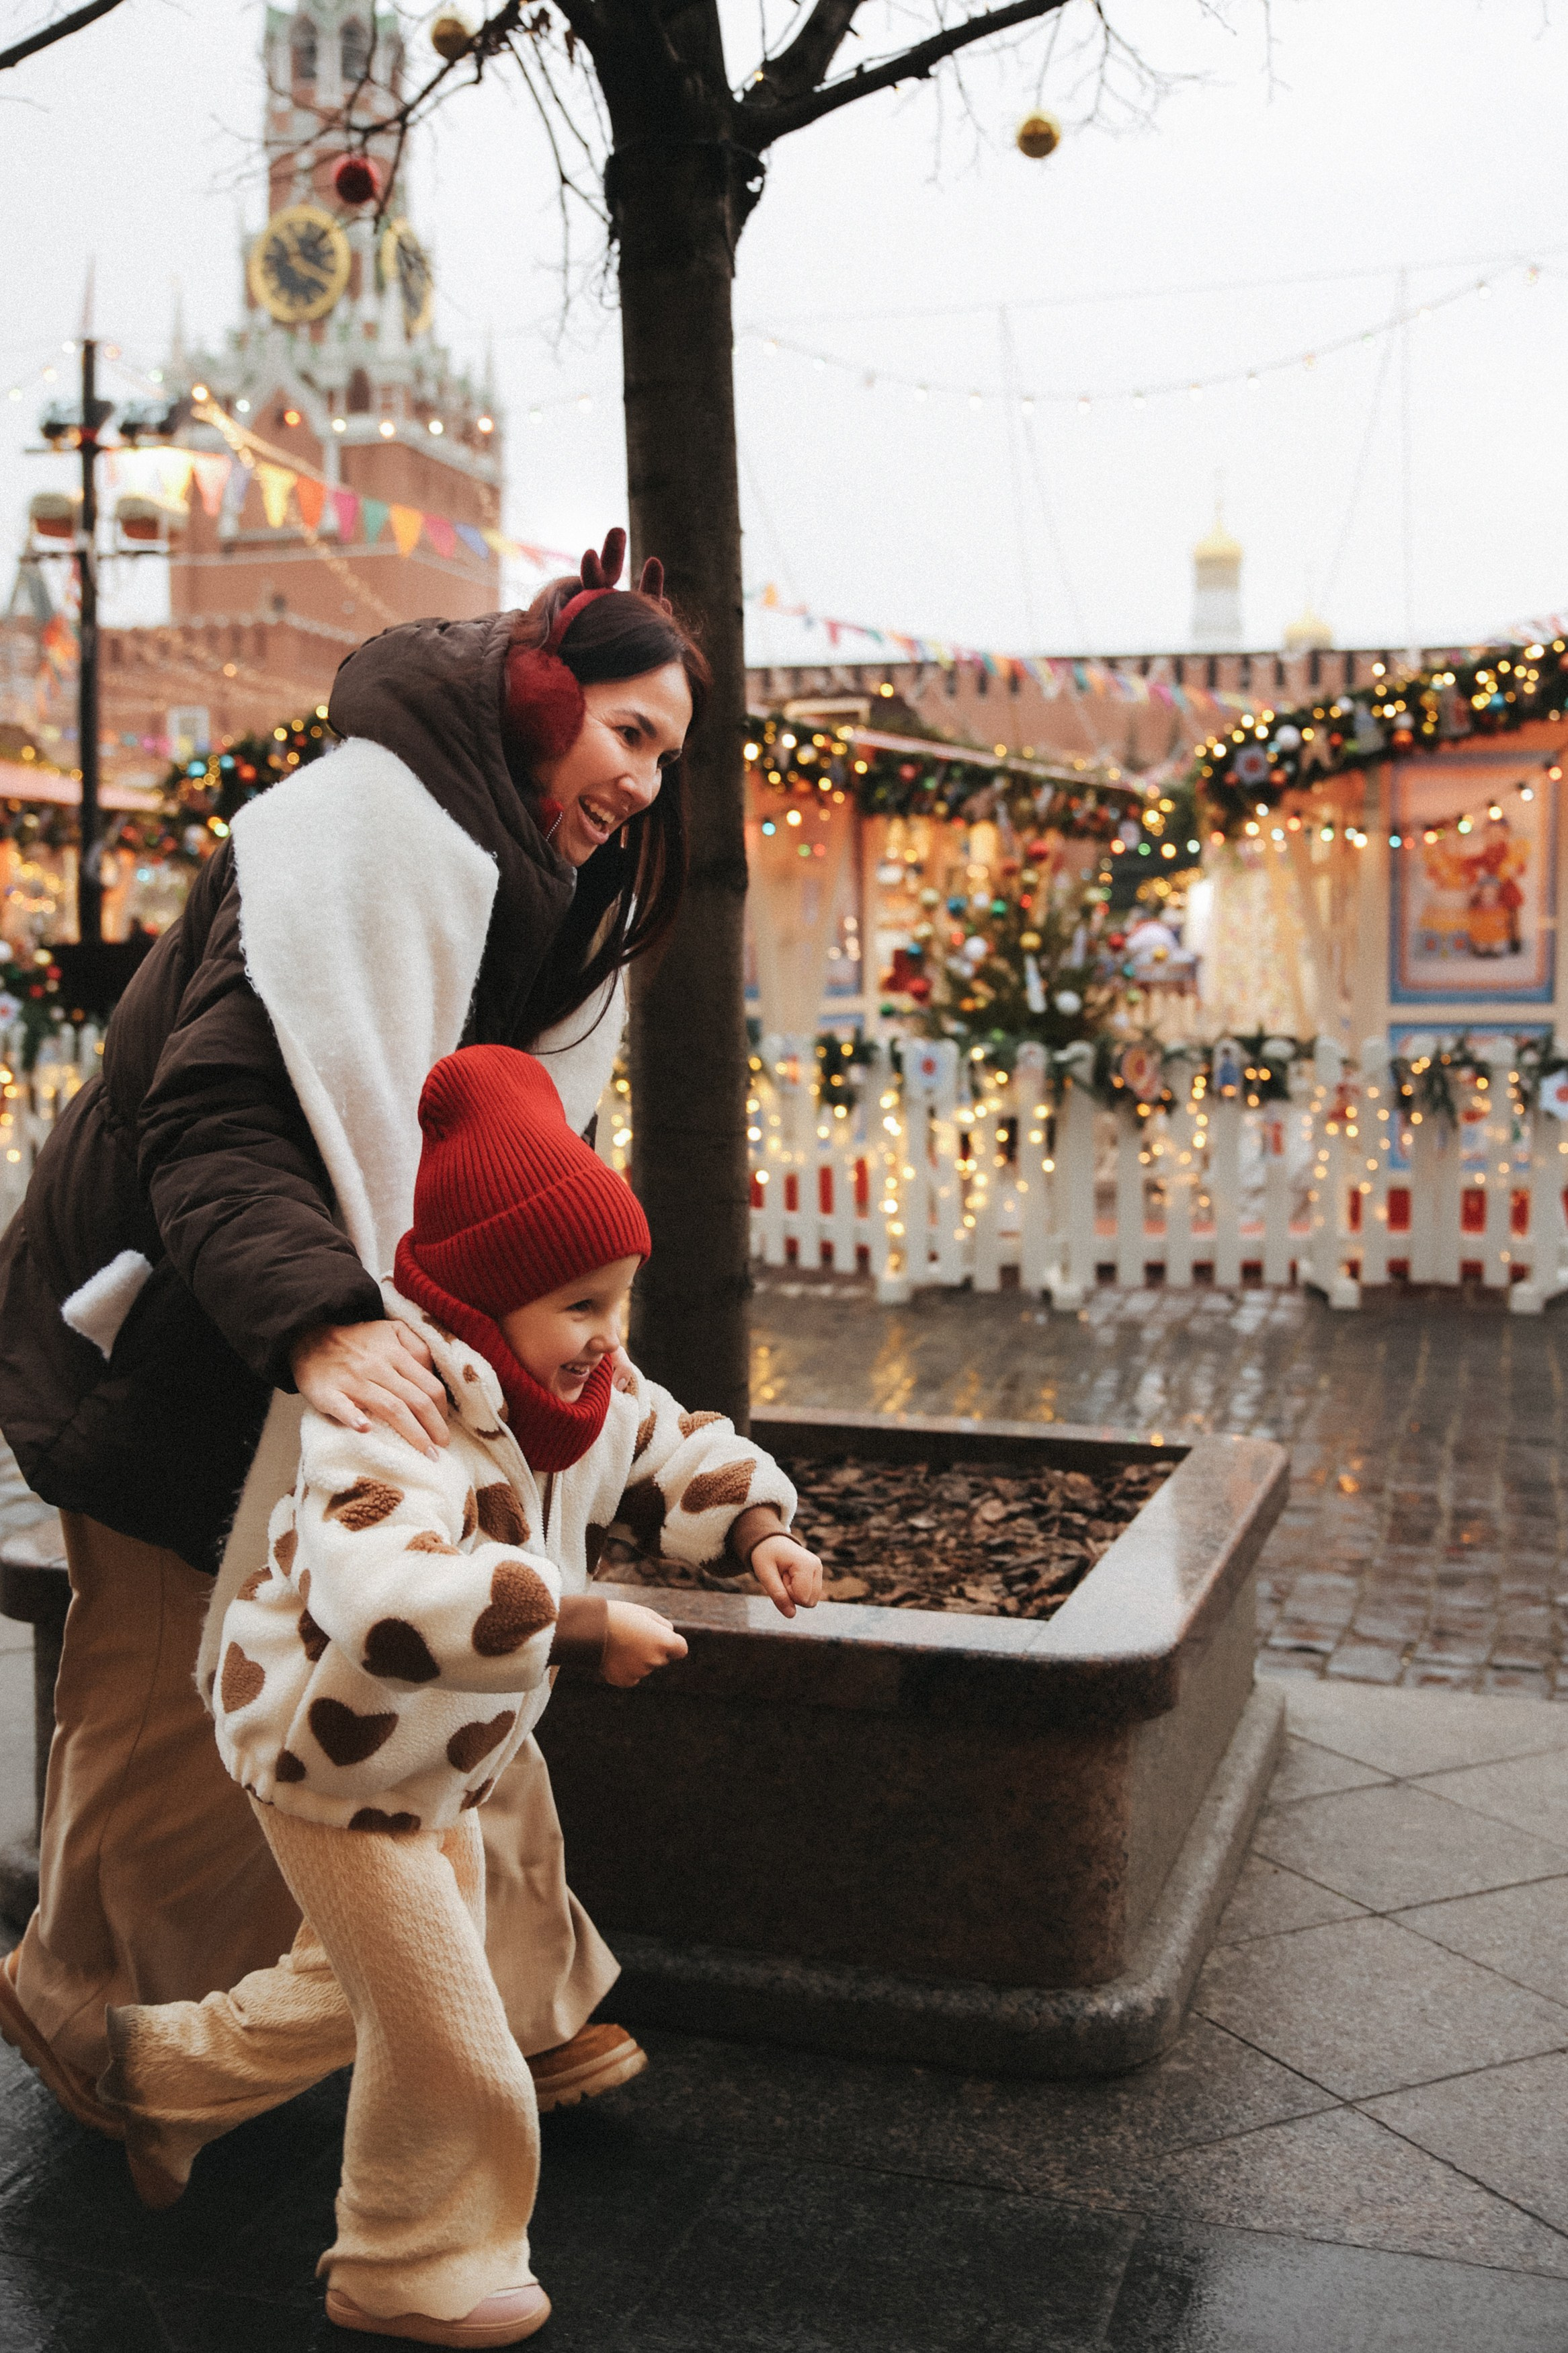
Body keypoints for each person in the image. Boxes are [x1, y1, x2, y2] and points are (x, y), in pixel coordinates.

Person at [0, 530, 707, 2130]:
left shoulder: (525, 879)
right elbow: (221, 1115)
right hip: (177, 1335)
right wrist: (321, 1322)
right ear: (542, 696)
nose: (650, 784)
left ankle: (522, 1999)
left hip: (351, 1333)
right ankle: (83, 2012)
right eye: (631, 733)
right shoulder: (355, 838)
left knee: (468, 1621)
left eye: (670, 749)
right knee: (162, 1688)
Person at [101, 1047, 823, 2348]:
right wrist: (578, 1619)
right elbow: (382, 1590)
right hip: (328, 1757)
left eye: (619, 1297)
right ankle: (409, 2263)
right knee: (449, 2029)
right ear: (486, 1303)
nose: (609, 1334)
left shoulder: (584, 1393)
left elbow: (673, 1446)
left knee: (348, 1994)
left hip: (443, 1764)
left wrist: (757, 1521)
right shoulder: (391, 1413)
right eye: (579, 1304)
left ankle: (163, 2074)